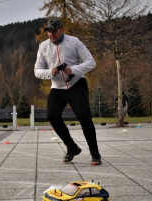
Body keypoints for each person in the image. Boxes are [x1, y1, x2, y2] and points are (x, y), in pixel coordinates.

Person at [34, 18, 101, 165]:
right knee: (52, 115)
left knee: (84, 117)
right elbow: (37, 71)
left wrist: (74, 69)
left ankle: (95, 152)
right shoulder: (43, 47)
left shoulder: (74, 42)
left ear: (62, 29)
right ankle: (71, 147)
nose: (51, 34)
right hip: (57, 88)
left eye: (54, 31)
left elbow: (91, 62)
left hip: (76, 85)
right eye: (49, 31)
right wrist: (49, 72)